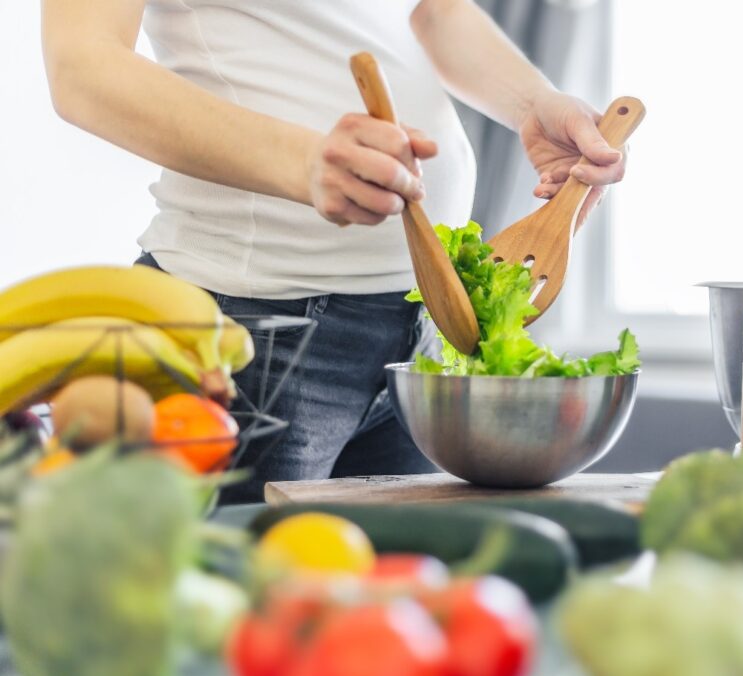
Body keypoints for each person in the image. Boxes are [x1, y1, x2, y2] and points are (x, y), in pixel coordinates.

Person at [41, 0, 630, 503]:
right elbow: (83, 66)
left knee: (385, 597)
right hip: (254, 333)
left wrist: (532, 103)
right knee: (238, 592)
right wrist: (302, 161)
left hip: (422, 331)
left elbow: (433, 10)